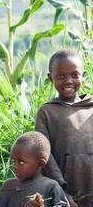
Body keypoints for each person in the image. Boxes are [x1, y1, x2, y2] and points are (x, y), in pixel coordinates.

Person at [35, 49, 93, 207]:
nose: (68, 81)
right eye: (61, 76)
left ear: (84, 75)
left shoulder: (91, 108)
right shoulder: (47, 112)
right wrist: (61, 190)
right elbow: (45, 156)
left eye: (75, 75)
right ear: (50, 77)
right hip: (66, 189)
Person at [0, 131, 68, 207]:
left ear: (40, 163)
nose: (14, 166)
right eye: (13, 161)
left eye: (21, 162)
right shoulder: (9, 186)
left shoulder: (51, 187)